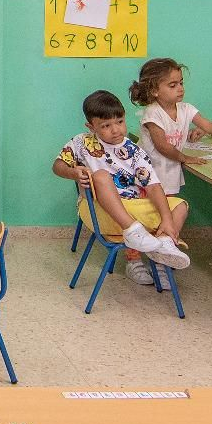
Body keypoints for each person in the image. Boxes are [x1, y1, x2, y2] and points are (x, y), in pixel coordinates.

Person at [53, 90, 191, 286]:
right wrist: (74, 173)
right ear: (91, 127)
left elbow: (152, 186)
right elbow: (57, 166)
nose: (115, 130)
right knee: (101, 175)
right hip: (99, 210)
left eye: (119, 122)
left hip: (132, 206)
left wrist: (167, 220)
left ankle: (161, 251)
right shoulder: (82, 143)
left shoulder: (135, 151)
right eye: (106, 126)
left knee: (180, 206)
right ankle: (134, 243)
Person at [128, 57, 212, 205]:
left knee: (169, 207)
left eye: (181, 83)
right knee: (152, 212)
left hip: (170, 170)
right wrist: (185, 158)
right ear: (154, 90)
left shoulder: (186, 109)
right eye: (172, 85)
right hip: (150, 172)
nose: (180, 88)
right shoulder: (152, 113)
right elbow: (162, 146)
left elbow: (209, 126)